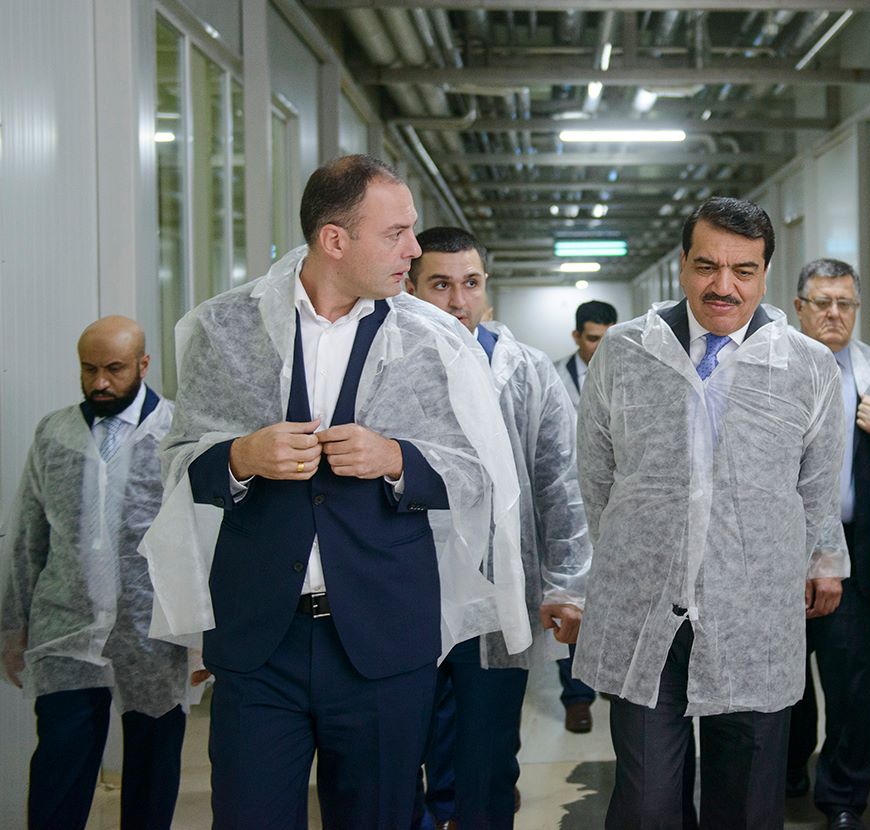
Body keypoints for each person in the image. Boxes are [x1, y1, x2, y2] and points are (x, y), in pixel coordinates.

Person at [139, 155, 526, 829]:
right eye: (396, 233)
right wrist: (241, 455)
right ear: (335, 240)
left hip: (384, 640)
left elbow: (480, 473)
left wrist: (396, 459)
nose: (413, 249)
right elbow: (175, 465)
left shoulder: (434, 342)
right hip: (261, 642)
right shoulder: (225, 328)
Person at [574, 196, 847, 829]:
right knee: (646, 806)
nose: (723, 286)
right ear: (682, 264)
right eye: (707, 266)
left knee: (746, 804)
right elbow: (595, 476)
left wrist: (811, 563)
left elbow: (815, 491)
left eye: (743, 270)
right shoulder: (625, 350)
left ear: (766, 273)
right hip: (645, 612)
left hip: (754, 617)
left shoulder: (806, 366)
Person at [407, 226, 592, 829]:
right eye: (440, 285)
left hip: (496, 591)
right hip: (403, 593)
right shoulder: (387, 363)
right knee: (404, 755)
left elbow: (560, 482)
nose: (458, 301)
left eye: (471, 283)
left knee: (488, 757)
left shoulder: (525, 371)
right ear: (409, 287)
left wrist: (566, 583)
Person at [1, 317, 191, 830]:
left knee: (152, 775)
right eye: (89, 370)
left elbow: (200, 542)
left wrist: (203, 638)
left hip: (154, 633)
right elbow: (28, 535)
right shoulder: (55, 433)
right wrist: (13, 626)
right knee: (59, 770)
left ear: (143, 365)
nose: (100, 382)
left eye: (114, 369)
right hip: (65, 629)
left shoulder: (177, 433)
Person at [783, 258, 870, 829]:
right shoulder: (769, 368)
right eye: (822, 302)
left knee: (850, 683)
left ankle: (843, 797)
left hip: (854, 554)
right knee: (784, 677)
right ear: (799, 308)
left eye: (845, 303)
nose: (834, 313)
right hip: (780, 553)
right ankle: (788, 769)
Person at [551, 298, 617, 732]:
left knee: (613, 600)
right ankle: (576, 697)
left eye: (608, 338)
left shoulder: (628, 373)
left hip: (614, 505)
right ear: (577, 337)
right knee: (572, 600)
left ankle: (609, 676)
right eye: (593, 339)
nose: (601, 347)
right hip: (566, 505)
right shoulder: (554, 377)